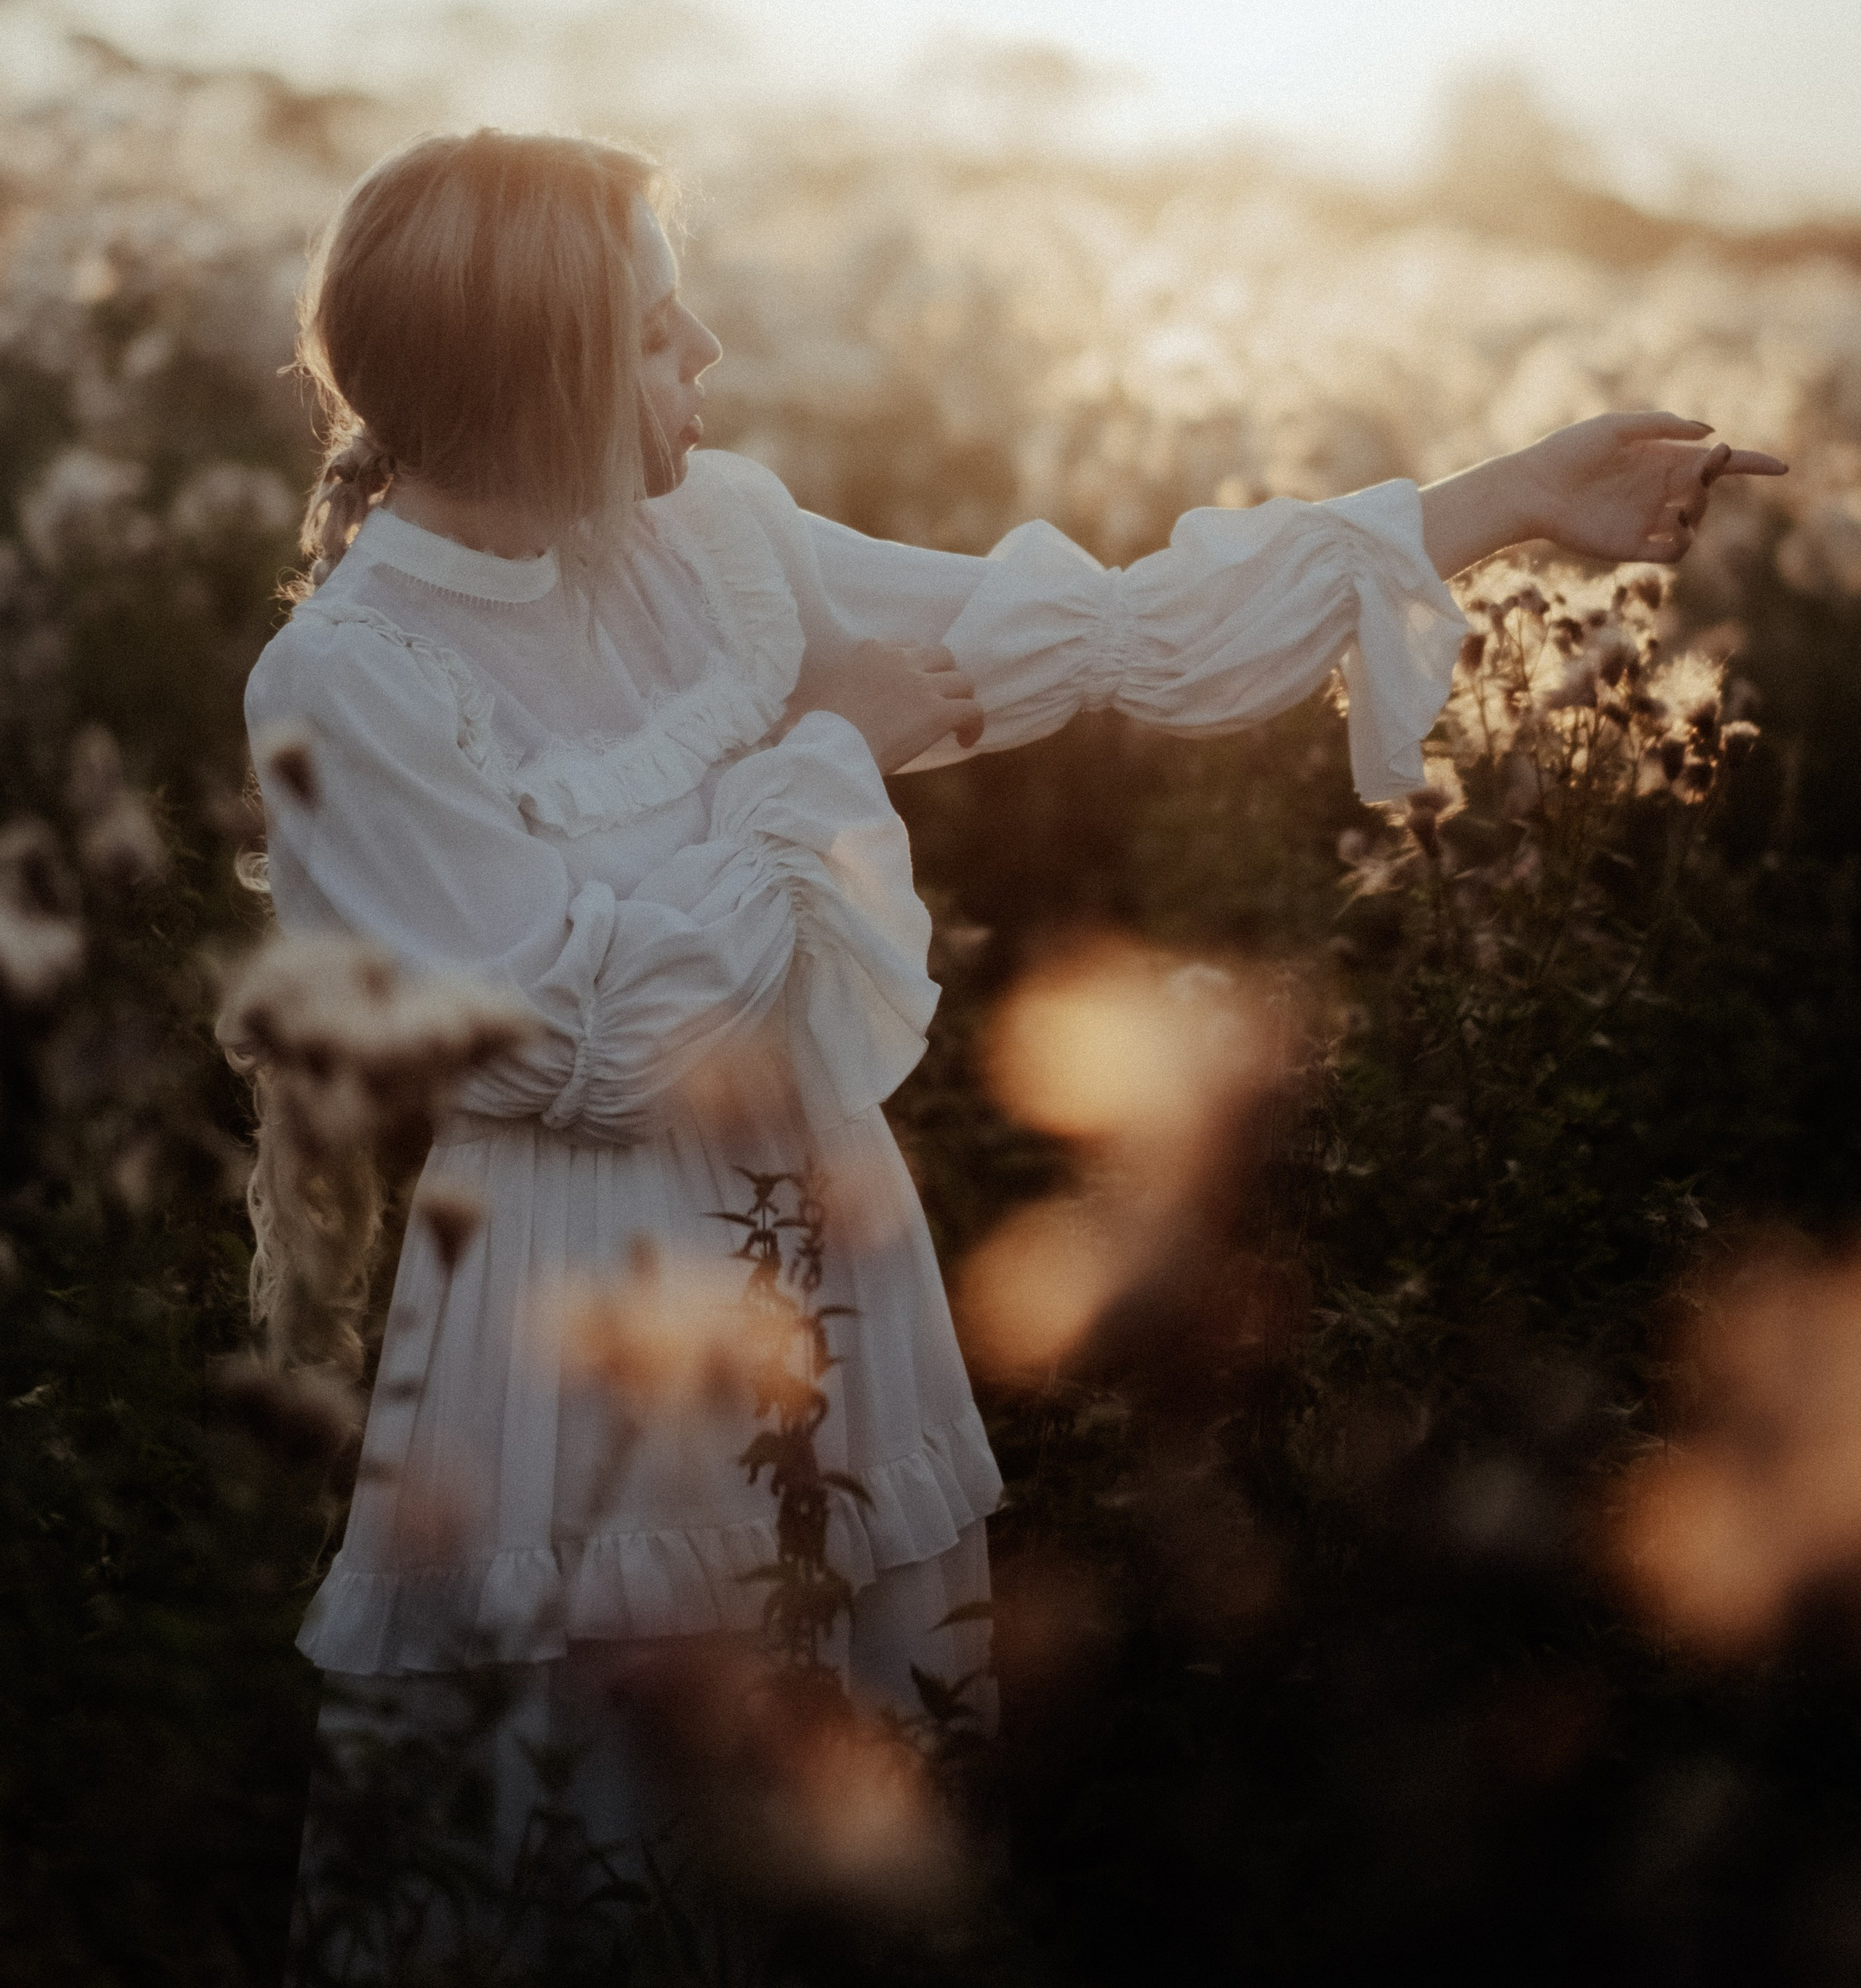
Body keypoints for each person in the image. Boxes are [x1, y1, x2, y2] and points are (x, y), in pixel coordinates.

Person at [241, 127, 1783, 1933]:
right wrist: (827, 756)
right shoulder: (351, 678)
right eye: (664, 332)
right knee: (603, 1841)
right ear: (545, 367)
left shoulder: (717, 543)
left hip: (821, 1254)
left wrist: (1502, 497)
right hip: (577, 1314)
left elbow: (1104, 632)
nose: (709, 362)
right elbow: (573, 1044)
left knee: (843, 1813)